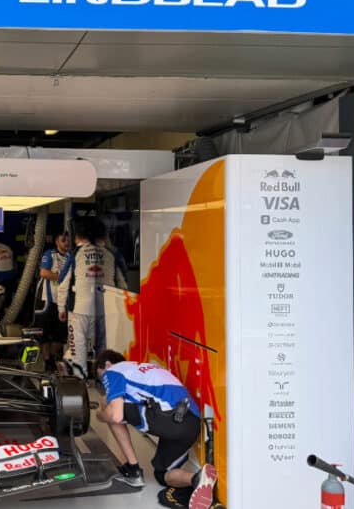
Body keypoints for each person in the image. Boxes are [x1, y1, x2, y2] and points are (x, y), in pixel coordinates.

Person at [95, 350, 218, 509]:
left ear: (107, 364)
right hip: (192, 422)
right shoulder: (143, 369)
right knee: (162, 475)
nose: (104, 385)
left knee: (109, 408)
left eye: (100, 378)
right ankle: (197, 478)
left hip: (171, 418)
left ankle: (133, 470)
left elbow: (116, 416)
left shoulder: (113, 371)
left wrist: (100, 414)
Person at [56, 217, 107, 379]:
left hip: (78, 309)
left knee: (78, 346)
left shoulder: (76, 254)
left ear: (77, 235)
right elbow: (122, 280)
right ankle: (104, 380)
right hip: (105, 309)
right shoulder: (110, 253)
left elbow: (63, 282)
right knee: (103, 348)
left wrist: (61, 308)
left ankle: (80, 381)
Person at [37, 233, 70, 371]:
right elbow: (44, 273)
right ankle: (46, 361)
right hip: (48, 301)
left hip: (65, 302)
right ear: (57, 241)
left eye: (68, 240)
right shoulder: (50, 254)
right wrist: (63, 277)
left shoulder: (72, 257)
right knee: (45, 335)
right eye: (63, 240)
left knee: (60, 336)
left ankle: (54, 361)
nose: (66, 243)